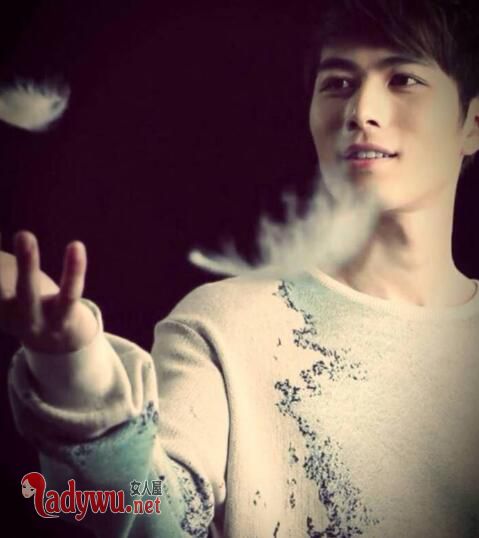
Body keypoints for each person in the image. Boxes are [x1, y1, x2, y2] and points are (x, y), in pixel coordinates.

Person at [2, 0, 479, 536]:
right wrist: (72, 365)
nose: (360, 110)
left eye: (403, 79)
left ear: (472, 123)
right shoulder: (225, 325)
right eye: (338, 83)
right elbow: (151, 518)